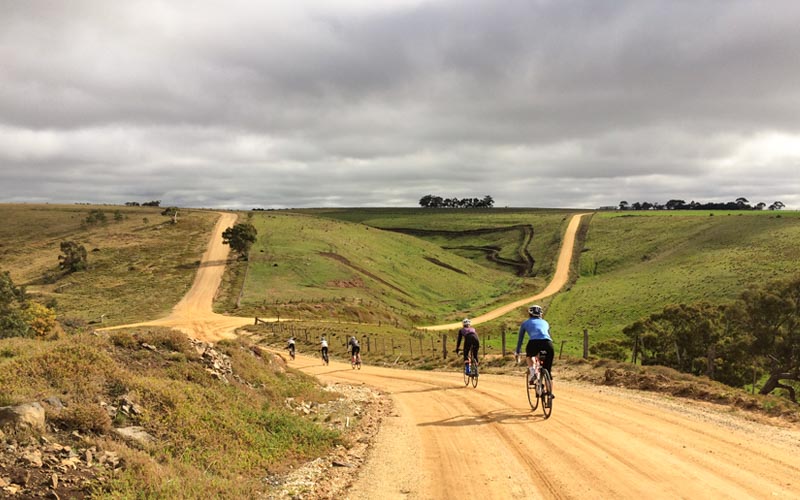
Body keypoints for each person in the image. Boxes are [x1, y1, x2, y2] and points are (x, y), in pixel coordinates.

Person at [515, 305, 554, 397]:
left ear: (529, 314)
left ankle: (532, 372)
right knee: (548, 369)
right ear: (540, 314)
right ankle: (549, 393)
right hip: (548, 344)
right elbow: (549, 335)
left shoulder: (525, 323)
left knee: (529, 356)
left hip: (534, 343)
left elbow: (520, 339)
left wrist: (517, 351)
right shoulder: (545, 322)